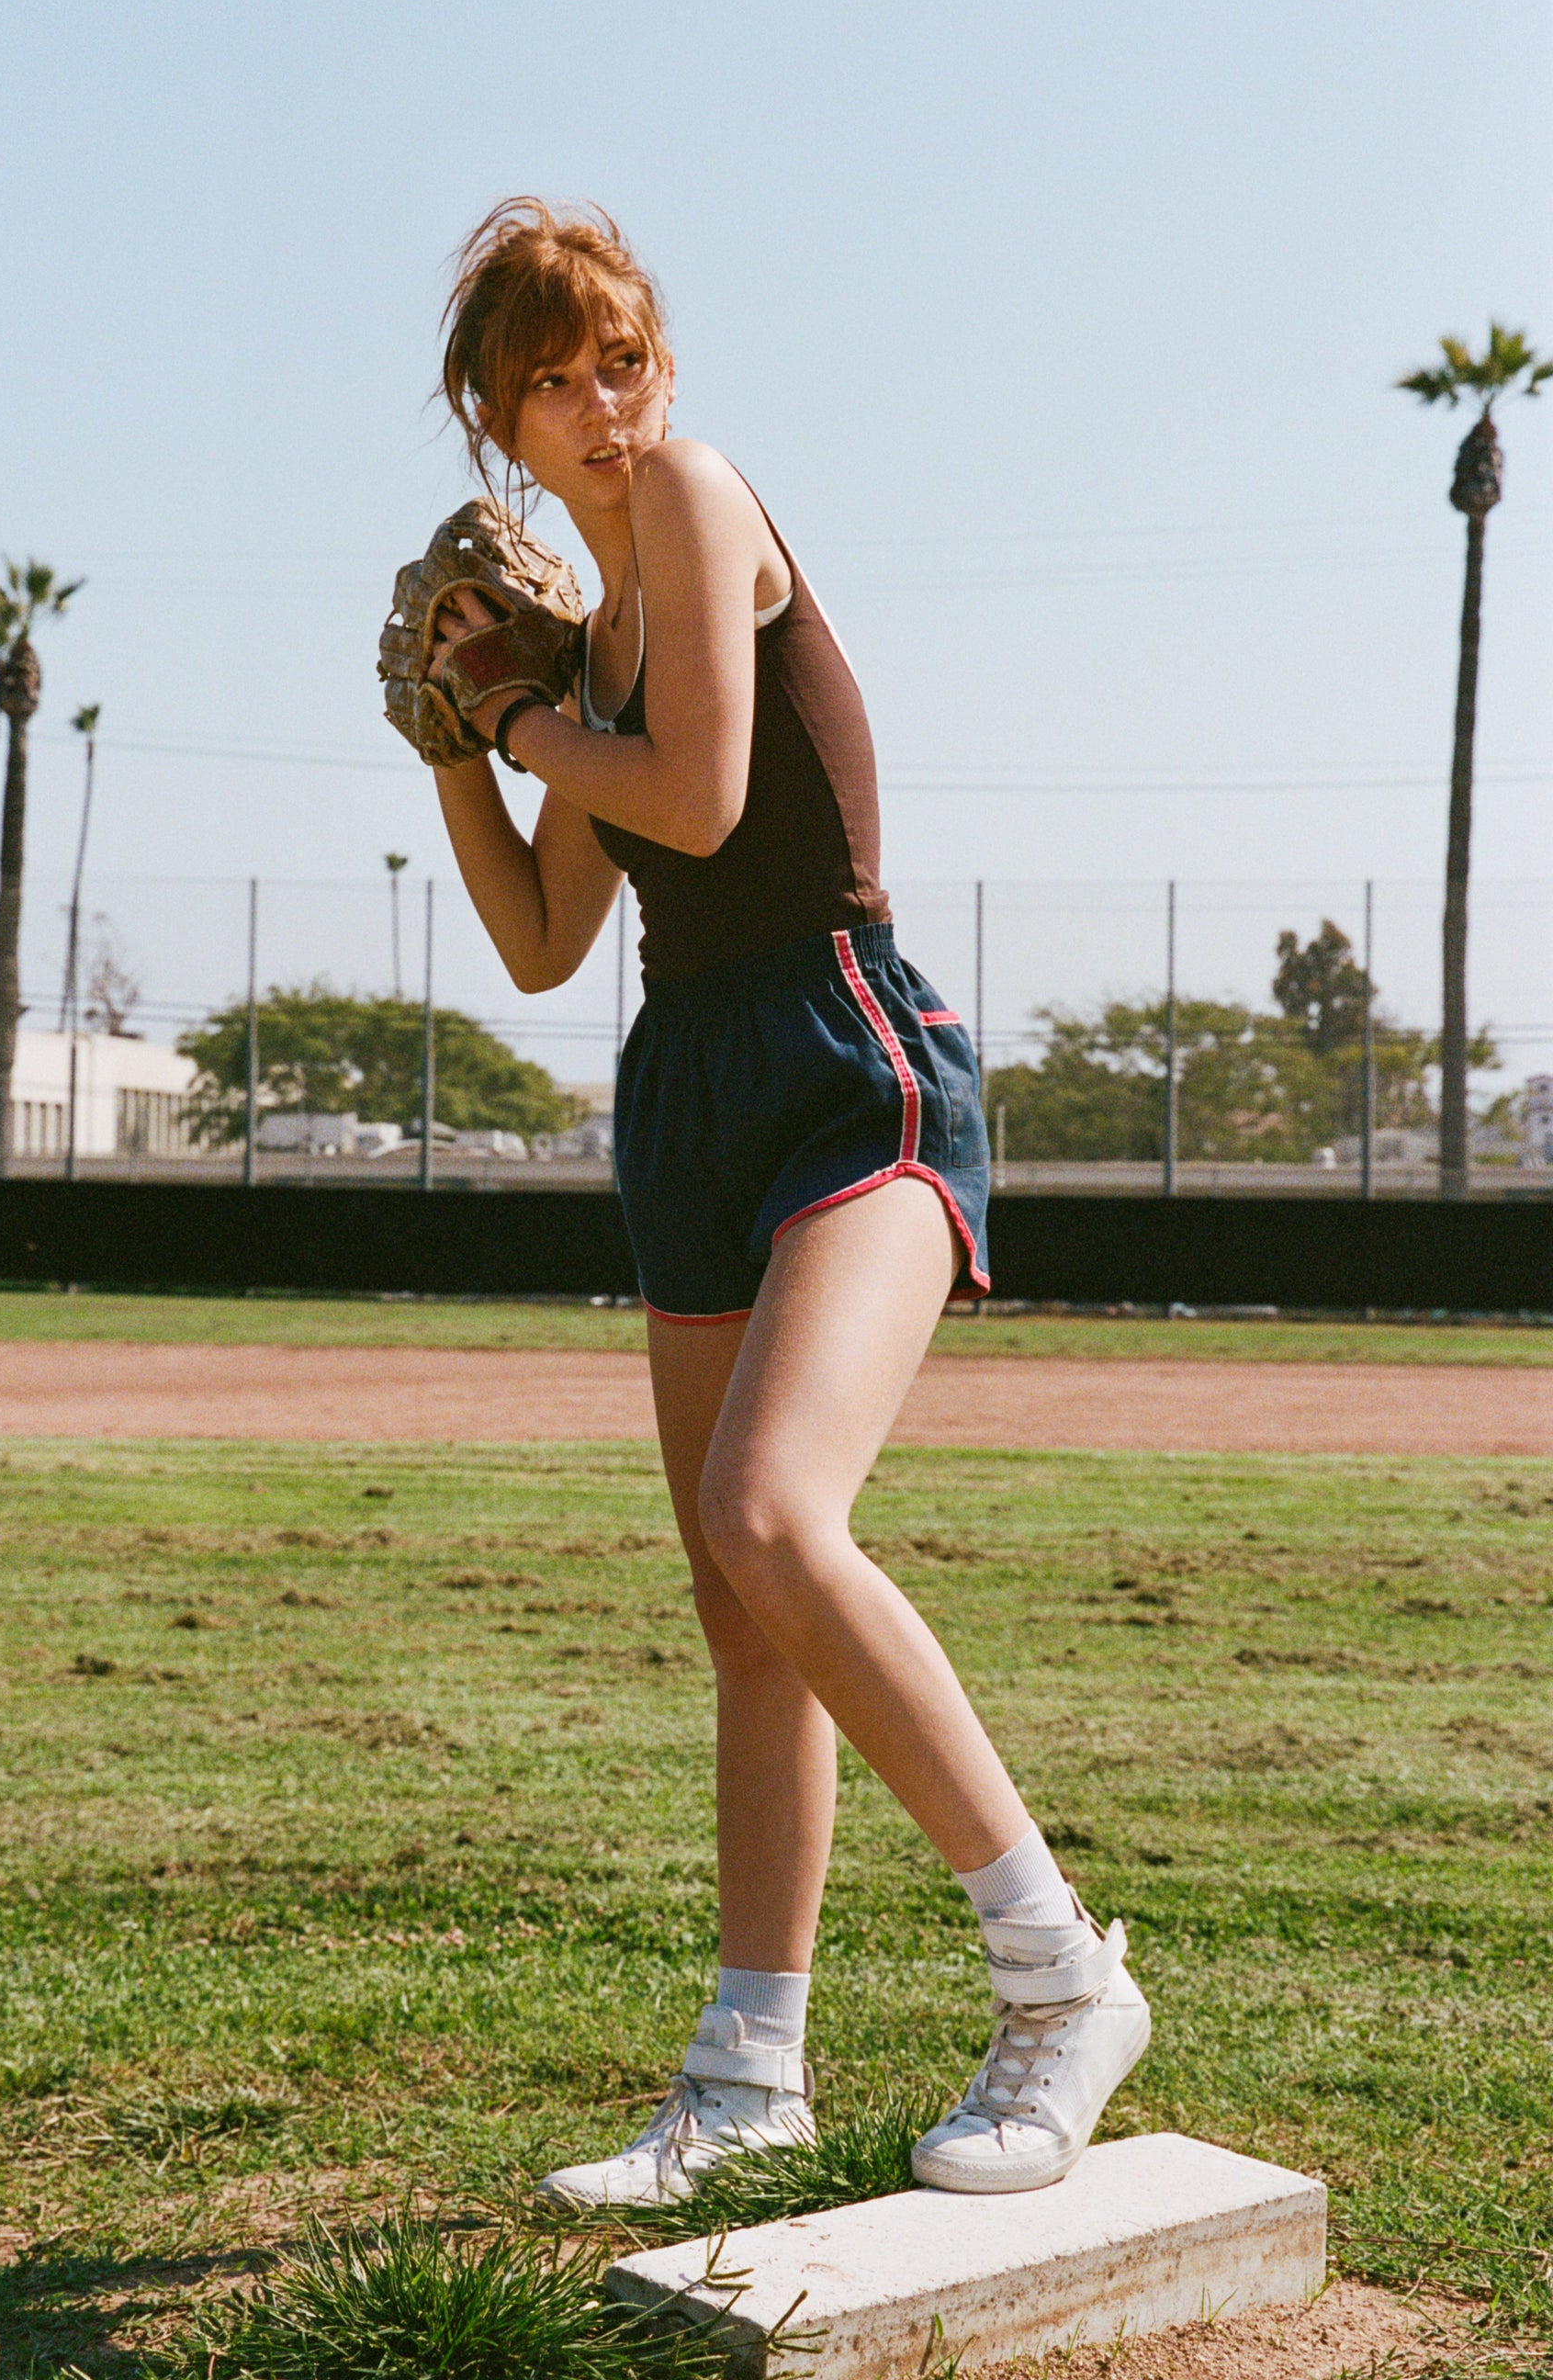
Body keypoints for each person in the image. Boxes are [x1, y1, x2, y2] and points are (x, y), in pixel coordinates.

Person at [426, 198, 1148, 2208]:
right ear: (495, 420)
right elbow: (550, 932)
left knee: (771, 1512)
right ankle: (750, 2070)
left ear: (662, 357)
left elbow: (709, 801)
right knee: (743, 1614)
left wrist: (511, 712)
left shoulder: (698, 487)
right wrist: (453, 754)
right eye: (547, 382)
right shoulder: (583, 641)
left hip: (846, 1054)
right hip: (684, 1082)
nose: (597, 406)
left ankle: (1057, 1970)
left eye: (618, 356)